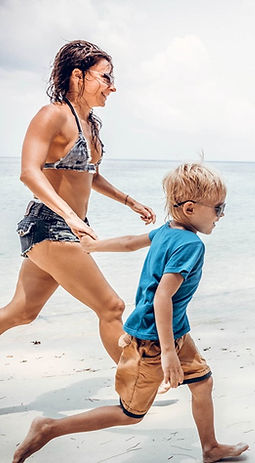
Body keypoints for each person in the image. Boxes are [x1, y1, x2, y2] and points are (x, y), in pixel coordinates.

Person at [12, 163, 248, 463]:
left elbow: (129, 243)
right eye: (218, 208)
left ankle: (210, 447)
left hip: (174, 331)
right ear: (190, 208)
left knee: (202, 382)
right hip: (154, 339)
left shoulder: (167, 231)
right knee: (129, 413)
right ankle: (49, 428)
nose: (221, 214)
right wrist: (168, 354)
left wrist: (93, 247)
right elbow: (163, 299)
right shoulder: (190, 245)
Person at [0, 40, 155, 362]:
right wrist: (70, 217)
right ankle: (136, 387)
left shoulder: (89, 124)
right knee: (111, 306)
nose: (112, 87)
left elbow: (89, 175)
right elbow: (29, 173)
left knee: (22, 312)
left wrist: (129, 201)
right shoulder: (52, 115)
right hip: (48, 225)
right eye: (105, 77)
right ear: (77, 76)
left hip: (68, 227)